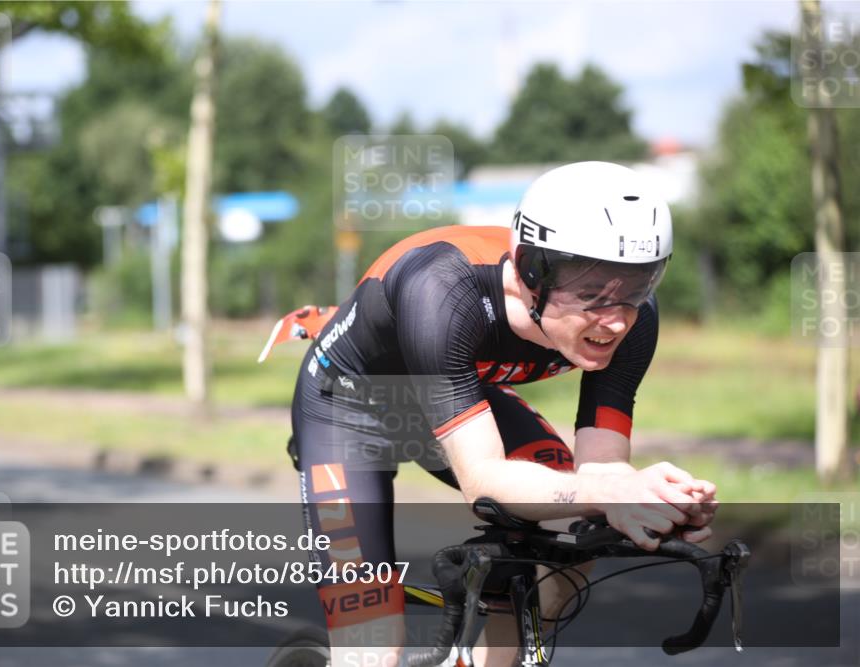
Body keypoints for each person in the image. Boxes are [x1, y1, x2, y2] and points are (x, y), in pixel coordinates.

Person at [271, 161, 717, 667]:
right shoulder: (443, 289)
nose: (614, 321)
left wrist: (651, 504)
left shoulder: (637, 321)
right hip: (348, 406)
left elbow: (602, 472)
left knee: (572, 538)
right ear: (533, 272)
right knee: (371, 646)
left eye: (637, 286)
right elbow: (481, 480)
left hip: (450, 392)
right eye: (591, 293)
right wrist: (609, 493)